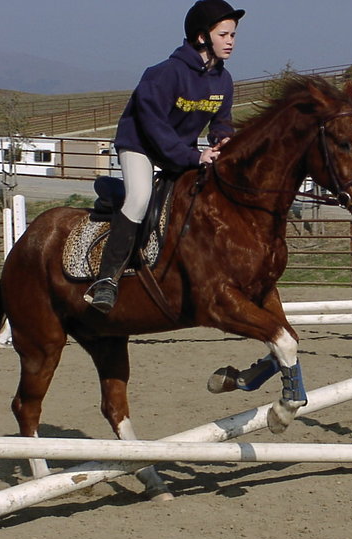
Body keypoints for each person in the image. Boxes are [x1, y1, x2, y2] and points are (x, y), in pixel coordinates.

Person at [89, 0, 245, 314]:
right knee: (139, 198)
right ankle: (106, 280)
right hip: (141, 145)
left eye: (232, 35)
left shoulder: (223, 80)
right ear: (202, 37)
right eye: (223, 34)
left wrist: (223, 141)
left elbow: (221, 122)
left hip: (179, 149)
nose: (230, 41)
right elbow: (154, 127)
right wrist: (192, 156)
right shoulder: (164, 74)